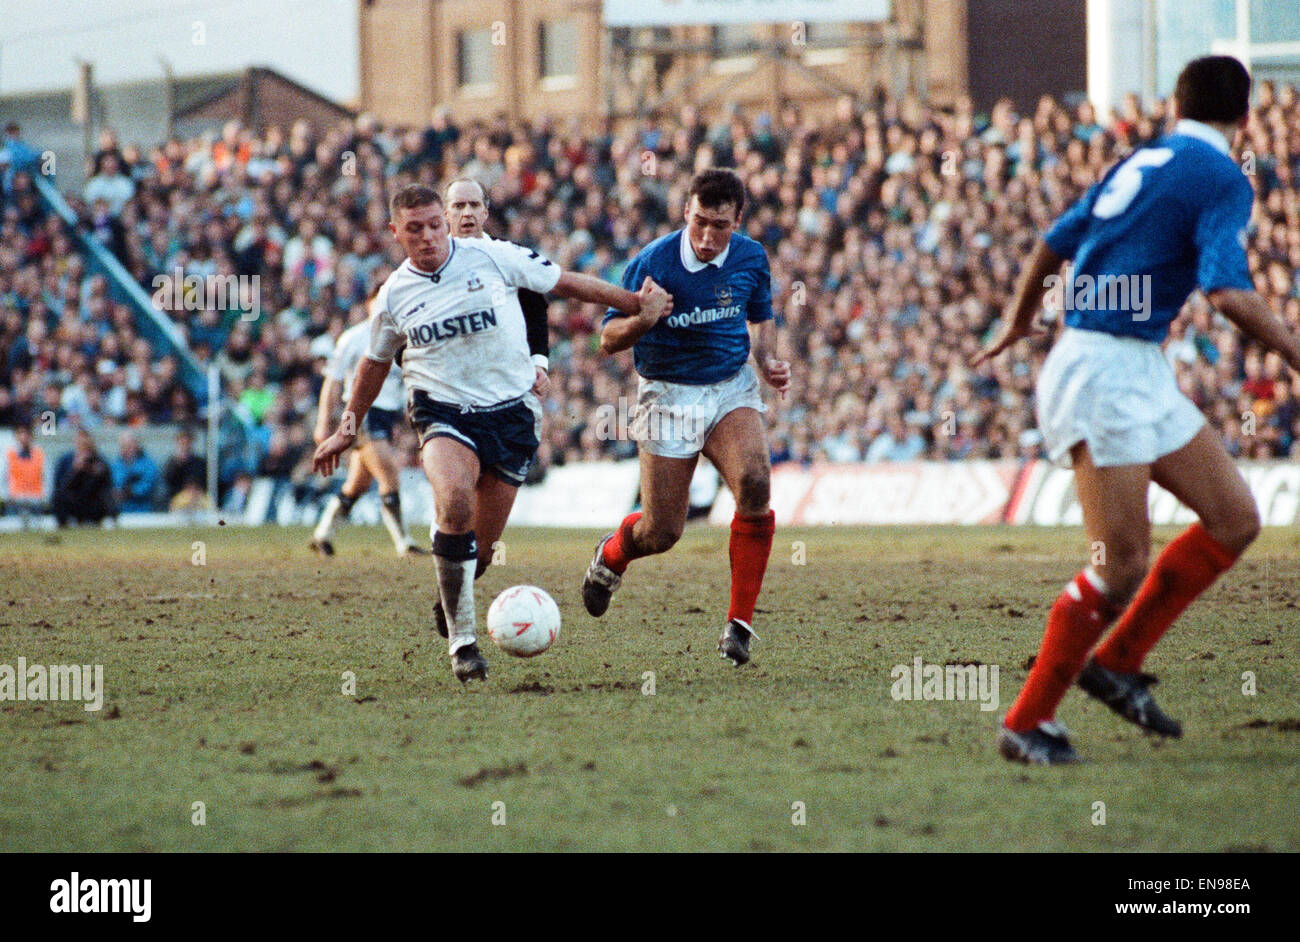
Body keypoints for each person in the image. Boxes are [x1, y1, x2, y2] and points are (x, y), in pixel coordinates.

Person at [974, 56, 1300, 764]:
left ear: (1177, 104)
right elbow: (1226, 290)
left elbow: (1053, 243)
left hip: (1131, 364)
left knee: (1235, 519)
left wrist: (1018, 320)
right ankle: (1026, 721)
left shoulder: (1146, 157)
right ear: (1244, 118)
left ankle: (1117, 662)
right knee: (1120, 565)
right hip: (1101, 368)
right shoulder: (1220, 175)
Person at [312, 183, 671, 683]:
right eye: (414, 229)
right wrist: (344, 429)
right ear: (396, 233)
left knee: (477, 551)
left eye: (435, 224)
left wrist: (636, 303)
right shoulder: (394, 295)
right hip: (442, 412)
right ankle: (463, 644)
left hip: (511, 415)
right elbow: (373, 364)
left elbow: (564, 283)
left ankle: (452, 592)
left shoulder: (492, 256)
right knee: (455, 503)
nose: (429, 236)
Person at [581, 167, 791, 666]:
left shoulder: (750, 258)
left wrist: (766, 357)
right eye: (699, 221)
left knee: (756, 482)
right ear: (684, 213)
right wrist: (644, 318)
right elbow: (606, 340)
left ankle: (738, 625)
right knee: (661, 532)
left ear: (737, 221)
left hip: (728, 388)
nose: (707, 236)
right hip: (667, 396)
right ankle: (611, 555)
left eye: (720, 225)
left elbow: (761, 314)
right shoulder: (650, 263)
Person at [310, 295, 425, 557]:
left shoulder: (402, 337)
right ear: (369, 304)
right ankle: (403, 542)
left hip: (385, 416)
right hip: (361, 415)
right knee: (389, 474)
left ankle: (323, 534)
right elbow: (332, 383)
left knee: (357, 485)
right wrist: (323, 423)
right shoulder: (354, 338)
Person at [52, 428, 115, 527]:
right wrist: (75, 470)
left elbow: (107, 483)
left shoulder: (99, 459)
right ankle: (63, 524)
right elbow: (61, 486)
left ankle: (107, 521)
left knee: (106, 495)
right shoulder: (66, 460)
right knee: (58, 497)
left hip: (93, 500)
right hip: (74, 500)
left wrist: (94, 471)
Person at [3, 423, 46, 525]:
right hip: (14, 500)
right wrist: (6, 496)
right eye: (20, 433)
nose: (24, 436)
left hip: (36, 500)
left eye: (26, 433)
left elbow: (45, 477)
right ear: (16, 435)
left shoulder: (39, 453)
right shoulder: (9, 454)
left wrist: (43, 497)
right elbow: (3, 477)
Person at [111, 431, 160, 513]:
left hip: (143, 510)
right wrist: (117, 491)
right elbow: (114, 484)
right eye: (123, 446)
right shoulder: (115, 465)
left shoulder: (148, 464)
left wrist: (130, 491)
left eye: (130, 445)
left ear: (137, 445)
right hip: (121, 510)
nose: (127, 449)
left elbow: (148, 485)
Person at [162, 428, 208, 512]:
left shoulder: (199, 462)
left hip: (198, 495)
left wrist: (194, 491)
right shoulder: (171, 462)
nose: (185, 445)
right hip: (178, 497)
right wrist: (178, 464)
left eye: (187, 442)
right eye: (182, 442)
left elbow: (203, 480)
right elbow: (168, 482)